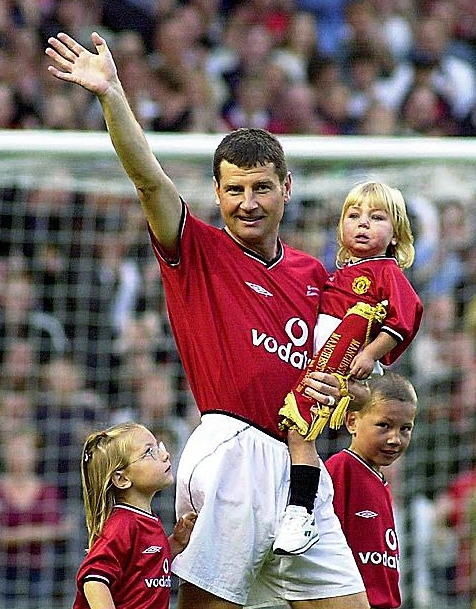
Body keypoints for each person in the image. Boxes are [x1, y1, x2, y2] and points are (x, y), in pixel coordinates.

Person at [45, 31, 371, 609]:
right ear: (217, 195)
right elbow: (149, 179)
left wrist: (348, 377)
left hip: (300, 467)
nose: (249, 202)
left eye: (262, 188)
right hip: (233, 449)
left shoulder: (314, 274)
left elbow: (337, 362)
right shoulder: (196, 250)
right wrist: (112, 92)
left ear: (286, 189)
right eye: (235, 190)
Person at [273, 180, 422, 556]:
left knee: (299, 431)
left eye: (376, 217)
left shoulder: (386, 272)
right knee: (293, 432)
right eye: (353, 216)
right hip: (318, 358)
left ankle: (300, 513)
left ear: (395, 234)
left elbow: (404, 318)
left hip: (341, 362)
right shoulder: (337, 274)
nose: (362, 224)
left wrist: (370, 353)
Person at [73, 422, 196, 609]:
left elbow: (143, 569)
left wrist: (175, 544)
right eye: (149, 452)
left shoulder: (145, 519)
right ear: (122, 479)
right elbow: (93, 580)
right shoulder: (122, 524)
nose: (165, 455)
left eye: (159, 447)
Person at [325, 371, 418, 609]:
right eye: (384, 426)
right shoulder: (341, 468)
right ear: (352, 421)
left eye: (405, 429)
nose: (395, 438)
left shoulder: (381, 481)